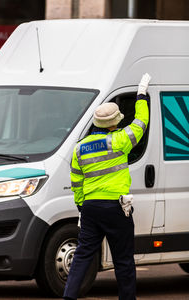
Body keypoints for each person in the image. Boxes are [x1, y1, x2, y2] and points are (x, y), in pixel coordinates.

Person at [63, 73, 151, 300]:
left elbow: (76, 181)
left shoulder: (79, 148)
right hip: (117, 208)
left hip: (91, 208)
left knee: (82, 256)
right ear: (115, 122)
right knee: (123, 260)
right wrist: (141, 95)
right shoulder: (120, 140)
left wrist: (82, 207)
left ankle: (69, 297)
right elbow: (141, 122)